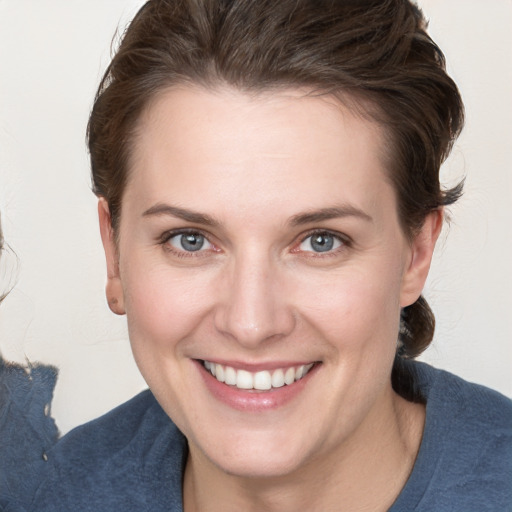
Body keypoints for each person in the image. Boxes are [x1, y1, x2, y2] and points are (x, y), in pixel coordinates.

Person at [9, 0, 512, 510]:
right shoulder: (54, 495)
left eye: (322, 241)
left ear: (416, 254)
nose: (251, 324)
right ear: (114, 255)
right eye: (190, 240)